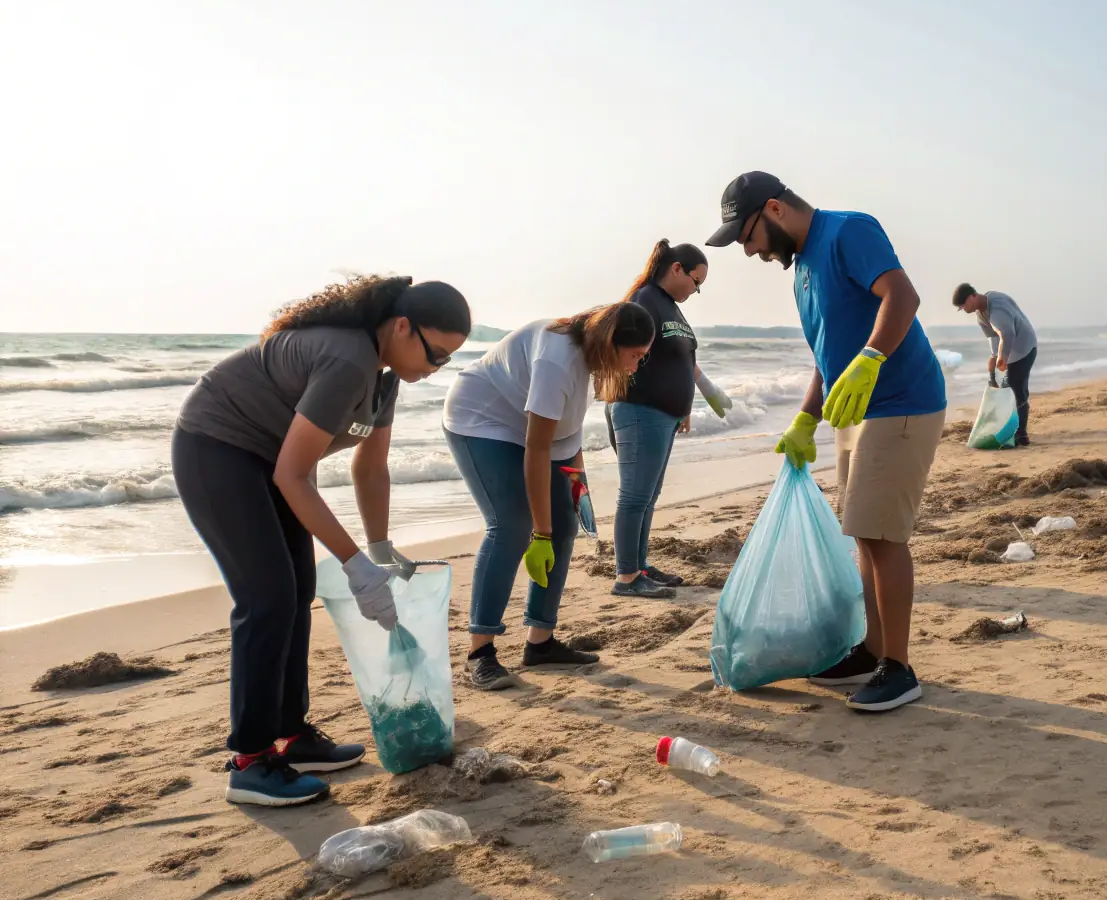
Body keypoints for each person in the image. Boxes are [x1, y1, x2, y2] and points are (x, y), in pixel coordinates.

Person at [173, 275, 471, 806]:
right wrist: (356, 565)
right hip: (215, 449)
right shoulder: (349, 360)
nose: (435, 369)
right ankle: (250, 760)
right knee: (266, 600)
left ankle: (292, 736)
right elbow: (294, 475)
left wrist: (377, 549)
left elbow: (370, 466)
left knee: (297, 591)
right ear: (402, 327)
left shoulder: (385, 375)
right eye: (436, 354)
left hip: (267, 462)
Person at [707, 172, 946, 713]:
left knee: (883, 535)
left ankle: (900, 668)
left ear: (774, 209)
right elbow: (825, 352)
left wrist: (872, 359)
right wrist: (805, 419)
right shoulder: (802, 274)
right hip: (854, 410)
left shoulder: (848, 232)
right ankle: (872, 650)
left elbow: (901, 297)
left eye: (747, 237)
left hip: (900, 400)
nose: (748, 252)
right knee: (864, 532)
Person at [443, 303, 655, 690]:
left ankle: (539, 644)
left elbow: (567, 432)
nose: (637, 365)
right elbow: (537, 448)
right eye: (636, 356)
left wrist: (579, 491)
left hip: (527, 426)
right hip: (481, 418)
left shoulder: (593, 359)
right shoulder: (557, 361)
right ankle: (480, 653)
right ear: (612, 345)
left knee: (565, 524)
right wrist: (538, 534)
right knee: (511, 526)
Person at [607, 239, 733, 598]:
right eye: (697, 281)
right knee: (634, 495)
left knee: (648, 495)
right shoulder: (644, 300)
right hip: (638, 409)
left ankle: (639, 565)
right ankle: (626, 577)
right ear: (677, 268)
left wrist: (691, 401)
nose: (697, 290)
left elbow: (678, 358)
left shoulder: (670, 308)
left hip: (664, 415)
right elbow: (622, 352)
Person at [951, 283, 1038, 446]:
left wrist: (1002, 357)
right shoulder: (980, 315)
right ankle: (1012, 429)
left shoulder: (997, 307)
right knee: (1007, 387)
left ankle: (1021, 435)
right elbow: (993, 336)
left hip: (1025, 348)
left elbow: (1007, 333)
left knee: (1017, 388)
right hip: (1011, 353)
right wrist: (994, 356)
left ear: (972, 296)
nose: (963, 309)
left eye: (964, 305)